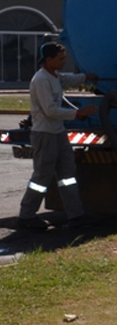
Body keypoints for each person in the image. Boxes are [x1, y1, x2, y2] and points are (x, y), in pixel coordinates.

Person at [17, 42, 99, 231]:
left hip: (58, 133)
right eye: (60, 59)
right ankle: (26, 216)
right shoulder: (41, 80)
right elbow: (50, 110)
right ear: (49, 60)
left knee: (67, 174)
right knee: (42, 178)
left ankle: (76, 214)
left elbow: (67, 79)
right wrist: (78, 113)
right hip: (45, 134)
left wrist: (85, 77)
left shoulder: (54, 76)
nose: (64, 62)